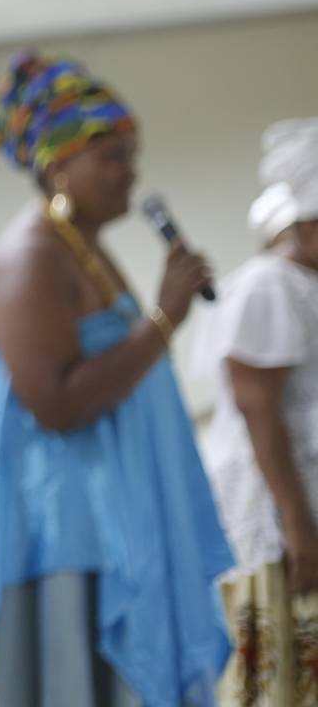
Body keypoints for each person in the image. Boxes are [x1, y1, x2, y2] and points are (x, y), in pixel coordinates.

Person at [0, 52, 232, 707]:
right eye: (112, 157)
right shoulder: (31, 255)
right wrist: (164, 318)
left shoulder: (81, 244)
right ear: (57, 164)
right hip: (53, 526)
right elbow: (55, 404)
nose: (131, 172)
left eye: (133, 155)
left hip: (99, 509)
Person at [201, 118, 318, 705]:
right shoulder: (269, 286)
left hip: (305, 497)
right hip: (278, 510)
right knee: (279, 681)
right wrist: (298, 525)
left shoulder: (304, 283)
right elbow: (259, 411)